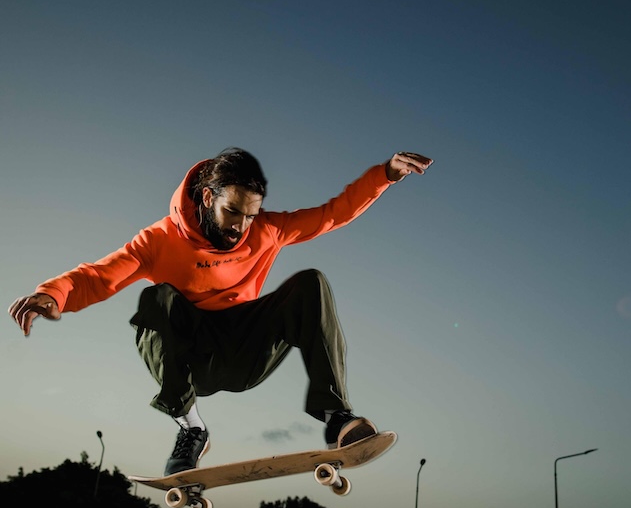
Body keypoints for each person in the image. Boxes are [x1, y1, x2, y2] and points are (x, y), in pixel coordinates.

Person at [8, 148, 433, 474]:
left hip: (247, 351)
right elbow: (100, 275)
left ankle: (336, 416)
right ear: (208, 196)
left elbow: (331, 215)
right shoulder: (159, 240)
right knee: (156, 301)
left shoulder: (267, 229)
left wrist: (384, 175)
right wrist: (54, 294)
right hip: (193, 360)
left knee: (311, 283)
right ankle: (192, 427)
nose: (239, 227)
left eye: (249, 216)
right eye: (232, 212)